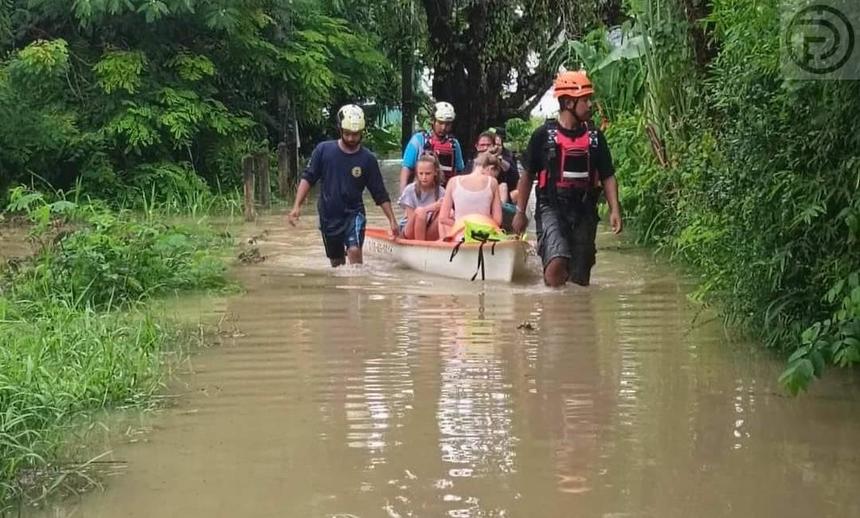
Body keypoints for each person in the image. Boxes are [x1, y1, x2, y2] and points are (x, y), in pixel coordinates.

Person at [511, 70, 623, 287]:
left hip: (584, 209)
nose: (590, 105)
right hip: (551, 206)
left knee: (580, 278)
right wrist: (520, 213)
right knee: (556, 263)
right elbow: (527, 176)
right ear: (569, 102)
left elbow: (608, 176)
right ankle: (553, 313)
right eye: (585, 100)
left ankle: (576, 316)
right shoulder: (542, 136)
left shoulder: (595, 139)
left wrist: (615, 209)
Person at [287, 104, 399, 267]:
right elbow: (308, 178)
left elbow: (379, 192)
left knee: (354, 250)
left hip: (354, 214)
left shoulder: (368, 159)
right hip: (328, 216)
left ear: (361, 133)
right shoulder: (323, 151)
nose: (352, 138)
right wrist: (296, 206)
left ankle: (357, 289)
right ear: (340, 130)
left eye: (355, 134)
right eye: (347, 134)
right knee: (337, 263)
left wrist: (392, 220)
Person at [400, 101, 465, 193]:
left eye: (448, 124)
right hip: (421, 194)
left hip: (445, 194)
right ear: (433, 121)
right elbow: (407, 168)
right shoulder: (419, 140)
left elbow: (459, 171)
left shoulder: (454, 144)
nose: (443, 127)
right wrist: (403, 194)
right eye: (440, 123)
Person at [438, 152, 503, 240]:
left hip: (459, 236)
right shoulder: (492, 182)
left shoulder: (453, 181)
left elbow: (443, 218)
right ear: (490, 168)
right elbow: (497, 220)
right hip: (483, 236)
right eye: (495, 175)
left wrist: (461, 224)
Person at [398, 154, 445, 241]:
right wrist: (430, 208)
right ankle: (420, 247)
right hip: (410, 231)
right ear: (417, 173)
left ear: (435, 172)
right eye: (421, 173)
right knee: (420, 212)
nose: (424, 177)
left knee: (447, 212)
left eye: (428, 174)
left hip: (429, 230)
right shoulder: (410, 190)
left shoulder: (441, 191)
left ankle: (441, 243)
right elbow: (412, 217)